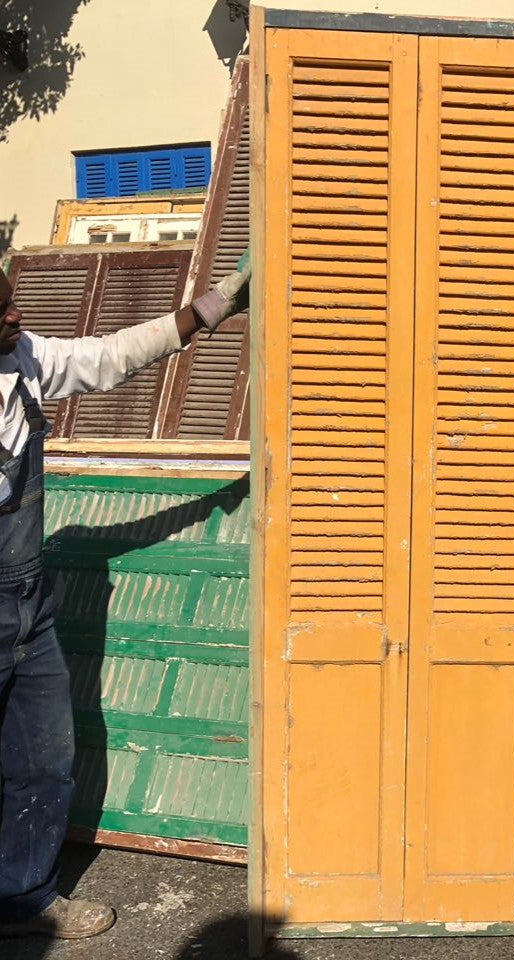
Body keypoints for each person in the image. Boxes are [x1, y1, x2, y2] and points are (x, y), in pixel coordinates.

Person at [0, 257, 250, 940]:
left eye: (12, 303)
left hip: (26, 601)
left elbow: (107, 357)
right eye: (1, 312)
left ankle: (22, 901)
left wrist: (210, 308)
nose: (15, 317)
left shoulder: (20, 357)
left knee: (41, 761)